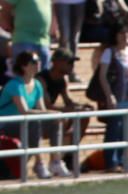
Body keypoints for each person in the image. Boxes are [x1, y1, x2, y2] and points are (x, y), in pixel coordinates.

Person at [0, 49, 60, 178]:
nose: (38, 63)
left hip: (24, 123)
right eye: (34, 61)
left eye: (38, 60)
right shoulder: (15, 85)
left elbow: (41, 109)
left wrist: (54, 115)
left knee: (55, 122)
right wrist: (50, 113)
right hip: (5, 124)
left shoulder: (37, 84)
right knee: (34, 122)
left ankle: (56, 161)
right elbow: (24, 111)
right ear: (24, 66)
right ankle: (39, 163)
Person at [98, 21, 128, 172]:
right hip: (118, 96)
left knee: (126, 131)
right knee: (114, 130)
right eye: (121, 33)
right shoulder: (109, 52)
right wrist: (109, 95)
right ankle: (111, 162)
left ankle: (123, 160)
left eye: (127, 33)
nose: (125, 36)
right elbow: (102, 76)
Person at [39, 46, 91, 172]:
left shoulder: (63, 80)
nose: (72, 65)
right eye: (69, 62)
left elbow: (68, 101)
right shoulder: (41, 79)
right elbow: (46, 106)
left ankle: (68, 155)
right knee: (62, 118)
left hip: (51, 116)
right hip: (37, 117)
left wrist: (80, 107)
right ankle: (55, 160)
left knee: (85, 114)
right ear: (57, 62)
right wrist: (70, 110)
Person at [1, 0, 53, 70]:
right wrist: (9, 28)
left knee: (43, 76)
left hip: (44, 41)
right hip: (23, 40)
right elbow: (5, 8)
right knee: (23, 75)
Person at [52, 0, 86, 68]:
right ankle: (60, 68)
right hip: (62, 2)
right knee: (65, 36)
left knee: (74, 39)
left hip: (80, 2)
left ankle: (71, 70)